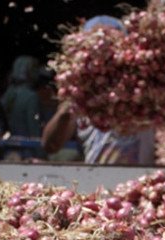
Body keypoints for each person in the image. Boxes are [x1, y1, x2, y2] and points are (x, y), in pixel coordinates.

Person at [41, 15, 156, 166]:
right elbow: (50, 146)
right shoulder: (80, 97)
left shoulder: (144, 89)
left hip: (141, 183)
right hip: (97, 182)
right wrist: (67, 107)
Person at [1, 55, 42, 138]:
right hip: (25, 147)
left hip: (6, 145)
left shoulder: (7, 94)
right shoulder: (31, 97)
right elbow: (33, 130)